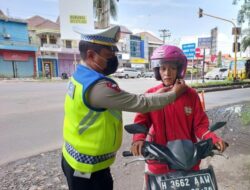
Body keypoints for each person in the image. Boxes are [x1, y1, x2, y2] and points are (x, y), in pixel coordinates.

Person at [61, 26, 188, 190]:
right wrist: (174, 94)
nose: (114, 58)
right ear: (91, 55)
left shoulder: (80, 77)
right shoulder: (98, 87)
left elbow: (134, 100)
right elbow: (140, 104)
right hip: (86, 168)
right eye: (109, 55)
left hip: (76, 157)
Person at [130, 45, 227, 186]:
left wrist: (212, 138)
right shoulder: (152, 94)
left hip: (188, 159)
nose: (167, 73)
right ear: (158, 71)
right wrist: (138, 138)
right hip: (158, 159)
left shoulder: (191, 95)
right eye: (163, 68)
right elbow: (142, 120)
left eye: (172, 68)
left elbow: (199, 124)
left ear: (179, 70)